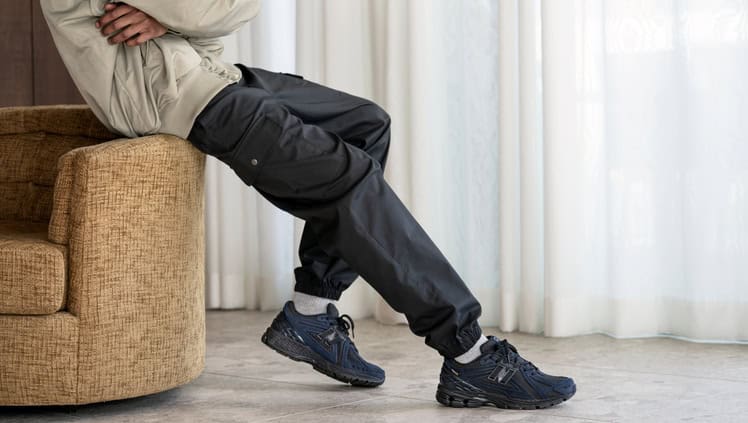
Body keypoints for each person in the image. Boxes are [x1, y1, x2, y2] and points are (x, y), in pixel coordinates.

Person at [41, 0, 576, 410]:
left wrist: (169, 14)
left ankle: (311, 313)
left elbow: (230, 9)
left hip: (216, 76)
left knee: (368, 124)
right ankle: (469, 354)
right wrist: (180, 14)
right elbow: (203, 11)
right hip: (179, 97)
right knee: (349, 179)